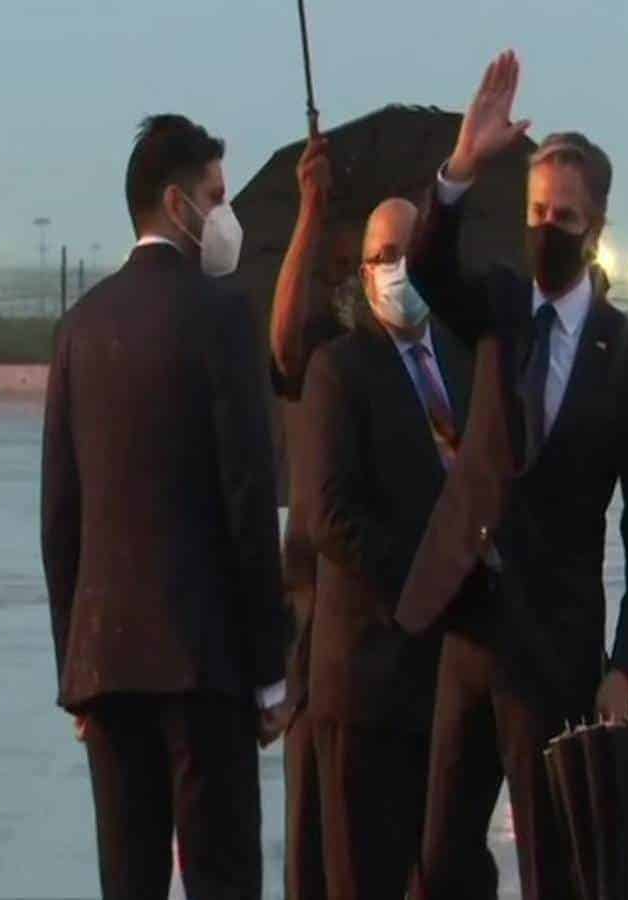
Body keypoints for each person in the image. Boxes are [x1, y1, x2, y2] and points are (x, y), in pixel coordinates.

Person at [394, 51, 628, 899]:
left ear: (597, 226)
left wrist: (627, 664)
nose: (548, 227)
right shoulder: (501, 306)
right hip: (470, 628)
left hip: (557, 647)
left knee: (554, 866)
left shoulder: (626, 356)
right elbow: (428, 270)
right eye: (538, 211)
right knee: (440, 860)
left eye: (566, 216)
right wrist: (459, 167)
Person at [40, 114, 287, 899]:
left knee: (128, 880)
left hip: (105, 667)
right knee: (221, 877)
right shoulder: (224, 318)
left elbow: (60, 517)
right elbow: (248, 501)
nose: (225, 216)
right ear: (178, 205)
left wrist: (74, 667)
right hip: (204, 667)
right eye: (216, 197)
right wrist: (271, 672)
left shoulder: (79, 328)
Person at [298, 196, 476, 898]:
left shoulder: (461, 362)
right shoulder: (340, 370)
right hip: (366, 681)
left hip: (447, 680)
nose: (397, 270)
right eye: (383, 257)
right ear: (364, 273)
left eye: (409, 253)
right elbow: (329, 517)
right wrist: (432, 579)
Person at [267, 134, 349, 900]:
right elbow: (284, 340)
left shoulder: (430, 360)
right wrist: (310, 211)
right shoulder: (321, 353)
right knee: (311, 849)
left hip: (402, 643)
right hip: (316, 634)